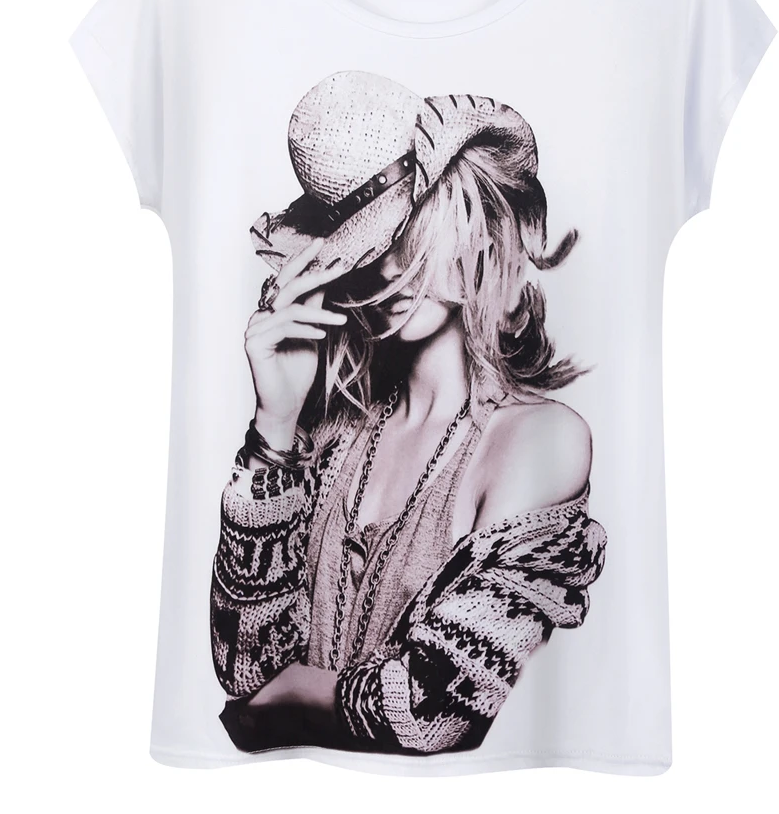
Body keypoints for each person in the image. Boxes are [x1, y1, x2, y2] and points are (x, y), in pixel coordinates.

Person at [210, 72, 607, 755]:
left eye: (409, 229)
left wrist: (295, 692)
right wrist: (274, 429)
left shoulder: (540, 440)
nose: (389, 268)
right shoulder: (332, 431)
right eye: (363, 245)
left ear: (473, 228)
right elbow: (245, 670)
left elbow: (432, 709)